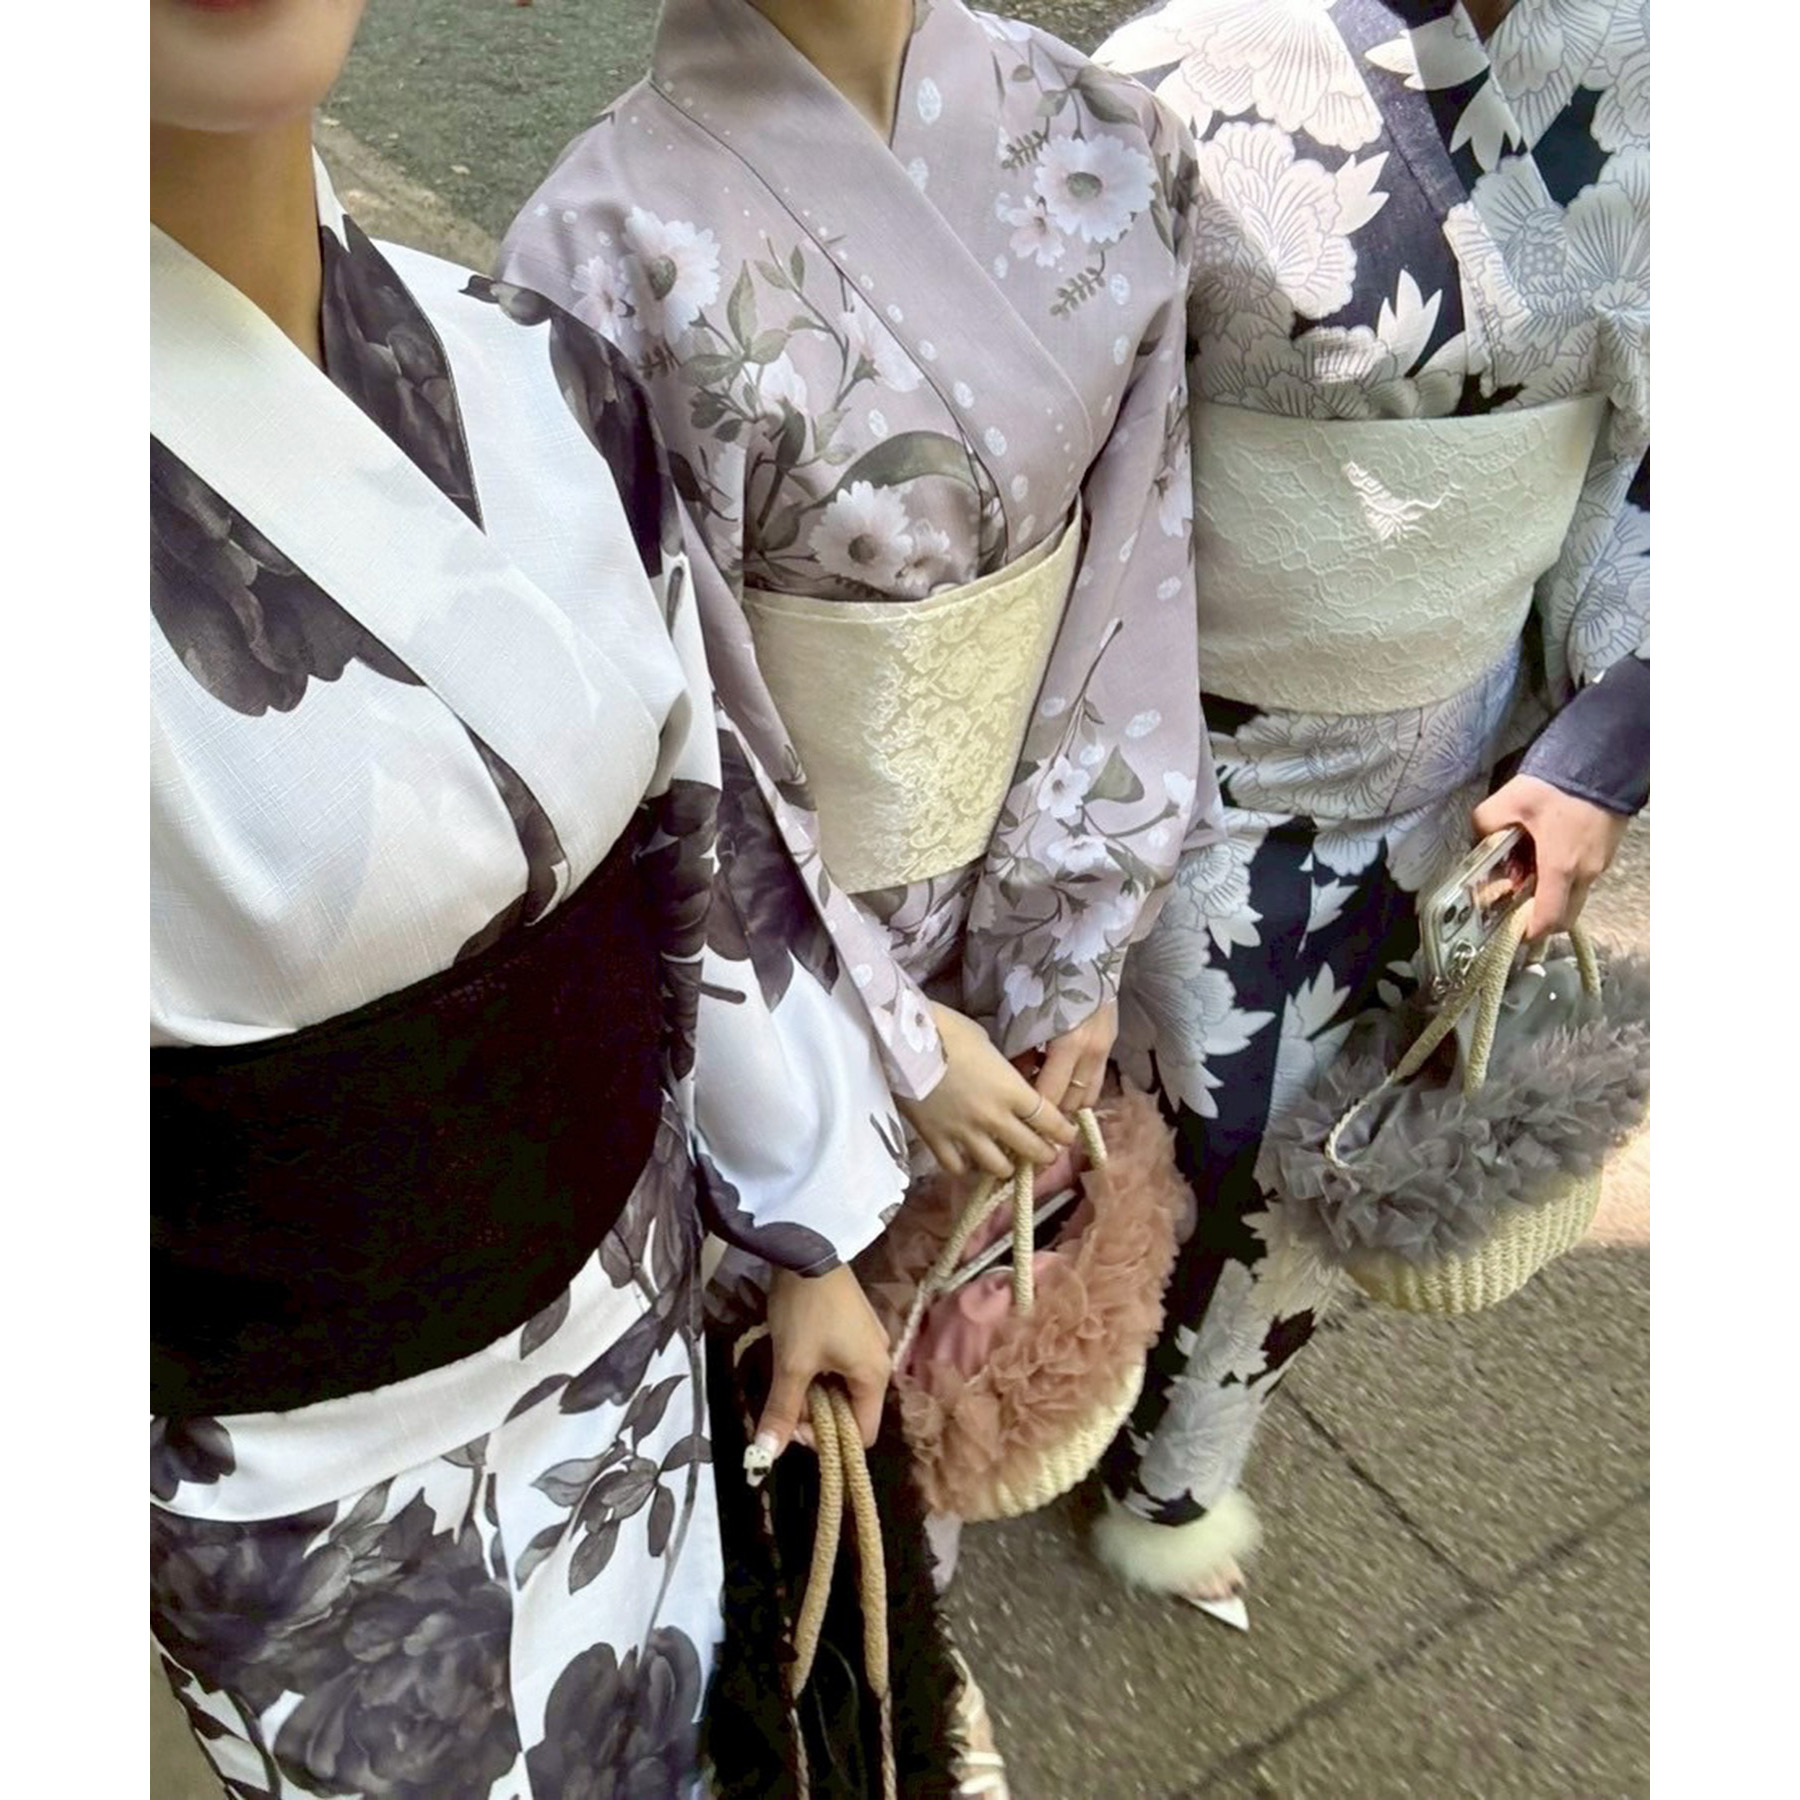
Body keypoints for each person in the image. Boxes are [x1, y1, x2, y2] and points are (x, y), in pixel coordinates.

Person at [149, 2, 905, 1792]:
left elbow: (692, 843)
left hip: (634, 1320)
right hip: (313, 1512)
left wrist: (807, 1227)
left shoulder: (528, 366)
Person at [495, 0, 1221, 1264]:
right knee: (799, 1318)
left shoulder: (1110, 135)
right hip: (780, 993)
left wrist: (1075, 947)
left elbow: (1135, 562)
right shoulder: (596, 249)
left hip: (1039, 895)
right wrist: (885, 1034)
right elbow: (666, 723)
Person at [1087, 0, 1649, 1629]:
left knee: (1315, 1169)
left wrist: (1602, 751)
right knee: (1103, 1119)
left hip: (1453, 779)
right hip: (1166, 759)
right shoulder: (1175, 79)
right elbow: (1066, 456)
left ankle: (1177, 1472)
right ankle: (1025, 1398)